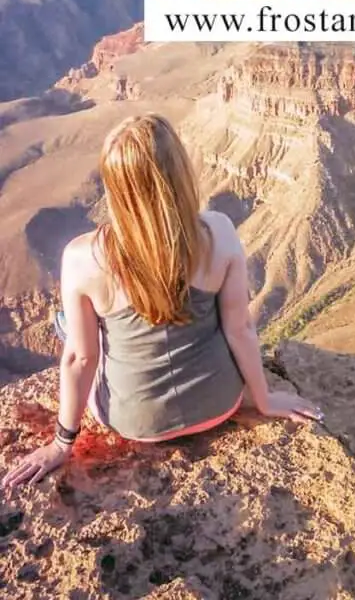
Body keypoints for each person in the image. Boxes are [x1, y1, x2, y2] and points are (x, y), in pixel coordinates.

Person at [2, 113, 322, 492]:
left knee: (69, 327)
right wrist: (263, 399)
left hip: (133, 421)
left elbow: (81, 359)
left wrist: (61, 443)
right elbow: (239, 327)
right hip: (219, 402)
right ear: (179, 175)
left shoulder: (81, 258)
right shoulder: (218, 231)